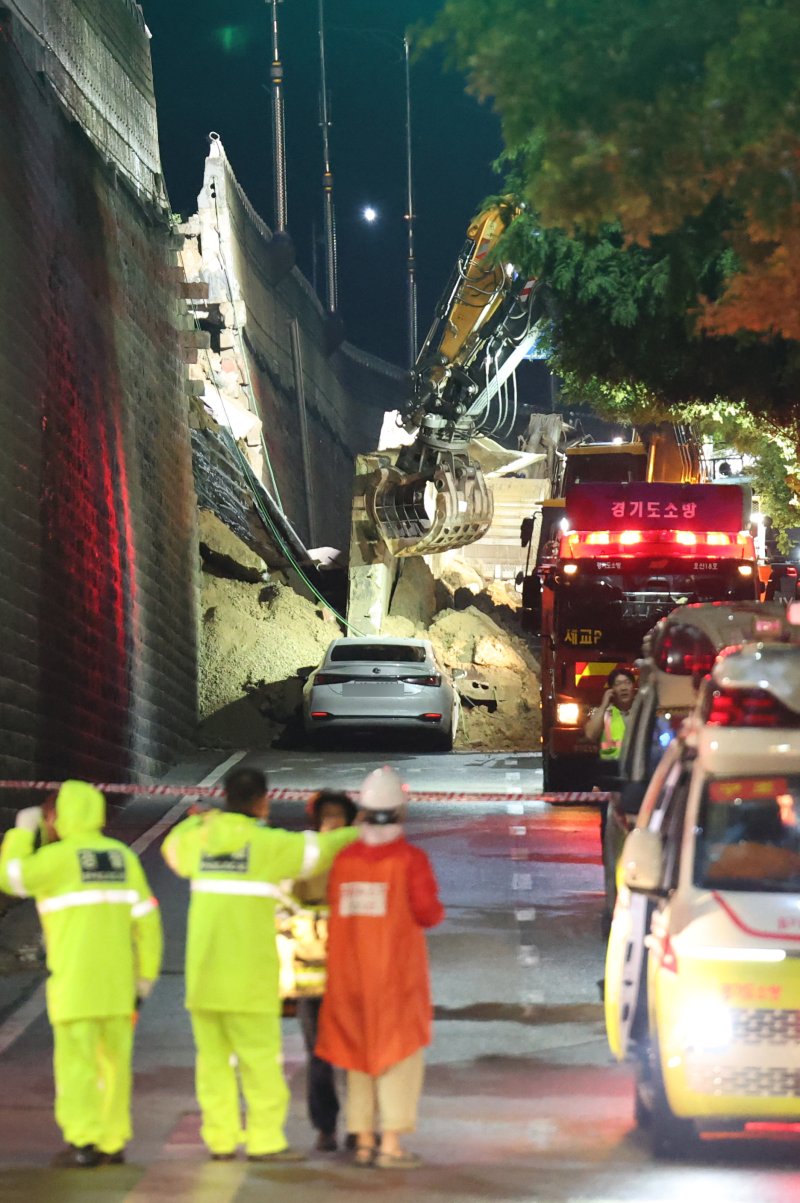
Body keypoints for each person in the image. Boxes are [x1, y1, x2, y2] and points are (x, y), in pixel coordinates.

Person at [161, 765, 359, 1163]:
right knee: (259, 1061)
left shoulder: (198, 838)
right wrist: (368, 825)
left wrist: (201, 820)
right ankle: (265, 1140)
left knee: (212, 1063)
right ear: (263, 801)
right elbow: (321, 851)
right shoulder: (269, 845)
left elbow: (171, 846)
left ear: (225, 797)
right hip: (251, 977)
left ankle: (219, 1139)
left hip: (204, 976)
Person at [0, 780, 162, 1168]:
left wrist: (22, 832)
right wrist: (145, 978)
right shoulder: (122, 857)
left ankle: (84, 1140)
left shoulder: (56, 859)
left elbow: (11, 877)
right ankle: (113, 1139)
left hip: (74, 986)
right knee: (115, 1067)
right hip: (120, 986)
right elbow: (148, 923)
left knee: (77, 1067)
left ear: (59, 815)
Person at [316, 766, 444, 1170]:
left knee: (357, 1060)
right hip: (397, 980)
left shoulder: (344, 860)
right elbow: (428, 913)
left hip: (348, 979)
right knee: (398, 1058)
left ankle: (364, 1141)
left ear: (363, 813)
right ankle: (391, 1144)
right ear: (401, 813)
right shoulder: (411, 860)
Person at [291, 789, 357, 1152]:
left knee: (356, 1053)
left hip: (354, 975)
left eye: (338, 816)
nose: (332, 822)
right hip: (312, 975)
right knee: (318, 1056)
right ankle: (326, 1127)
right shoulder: (304, 859)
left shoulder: (361, 858)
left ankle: (360, 1123)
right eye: (325, 816)